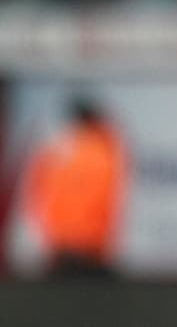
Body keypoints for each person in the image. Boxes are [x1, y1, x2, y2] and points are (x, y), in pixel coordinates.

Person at [20, 95, 129, 279]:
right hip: (93, 249)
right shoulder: (105, 150)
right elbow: (109, 202)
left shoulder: (55, 150)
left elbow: (35, 194)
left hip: (61, 247)